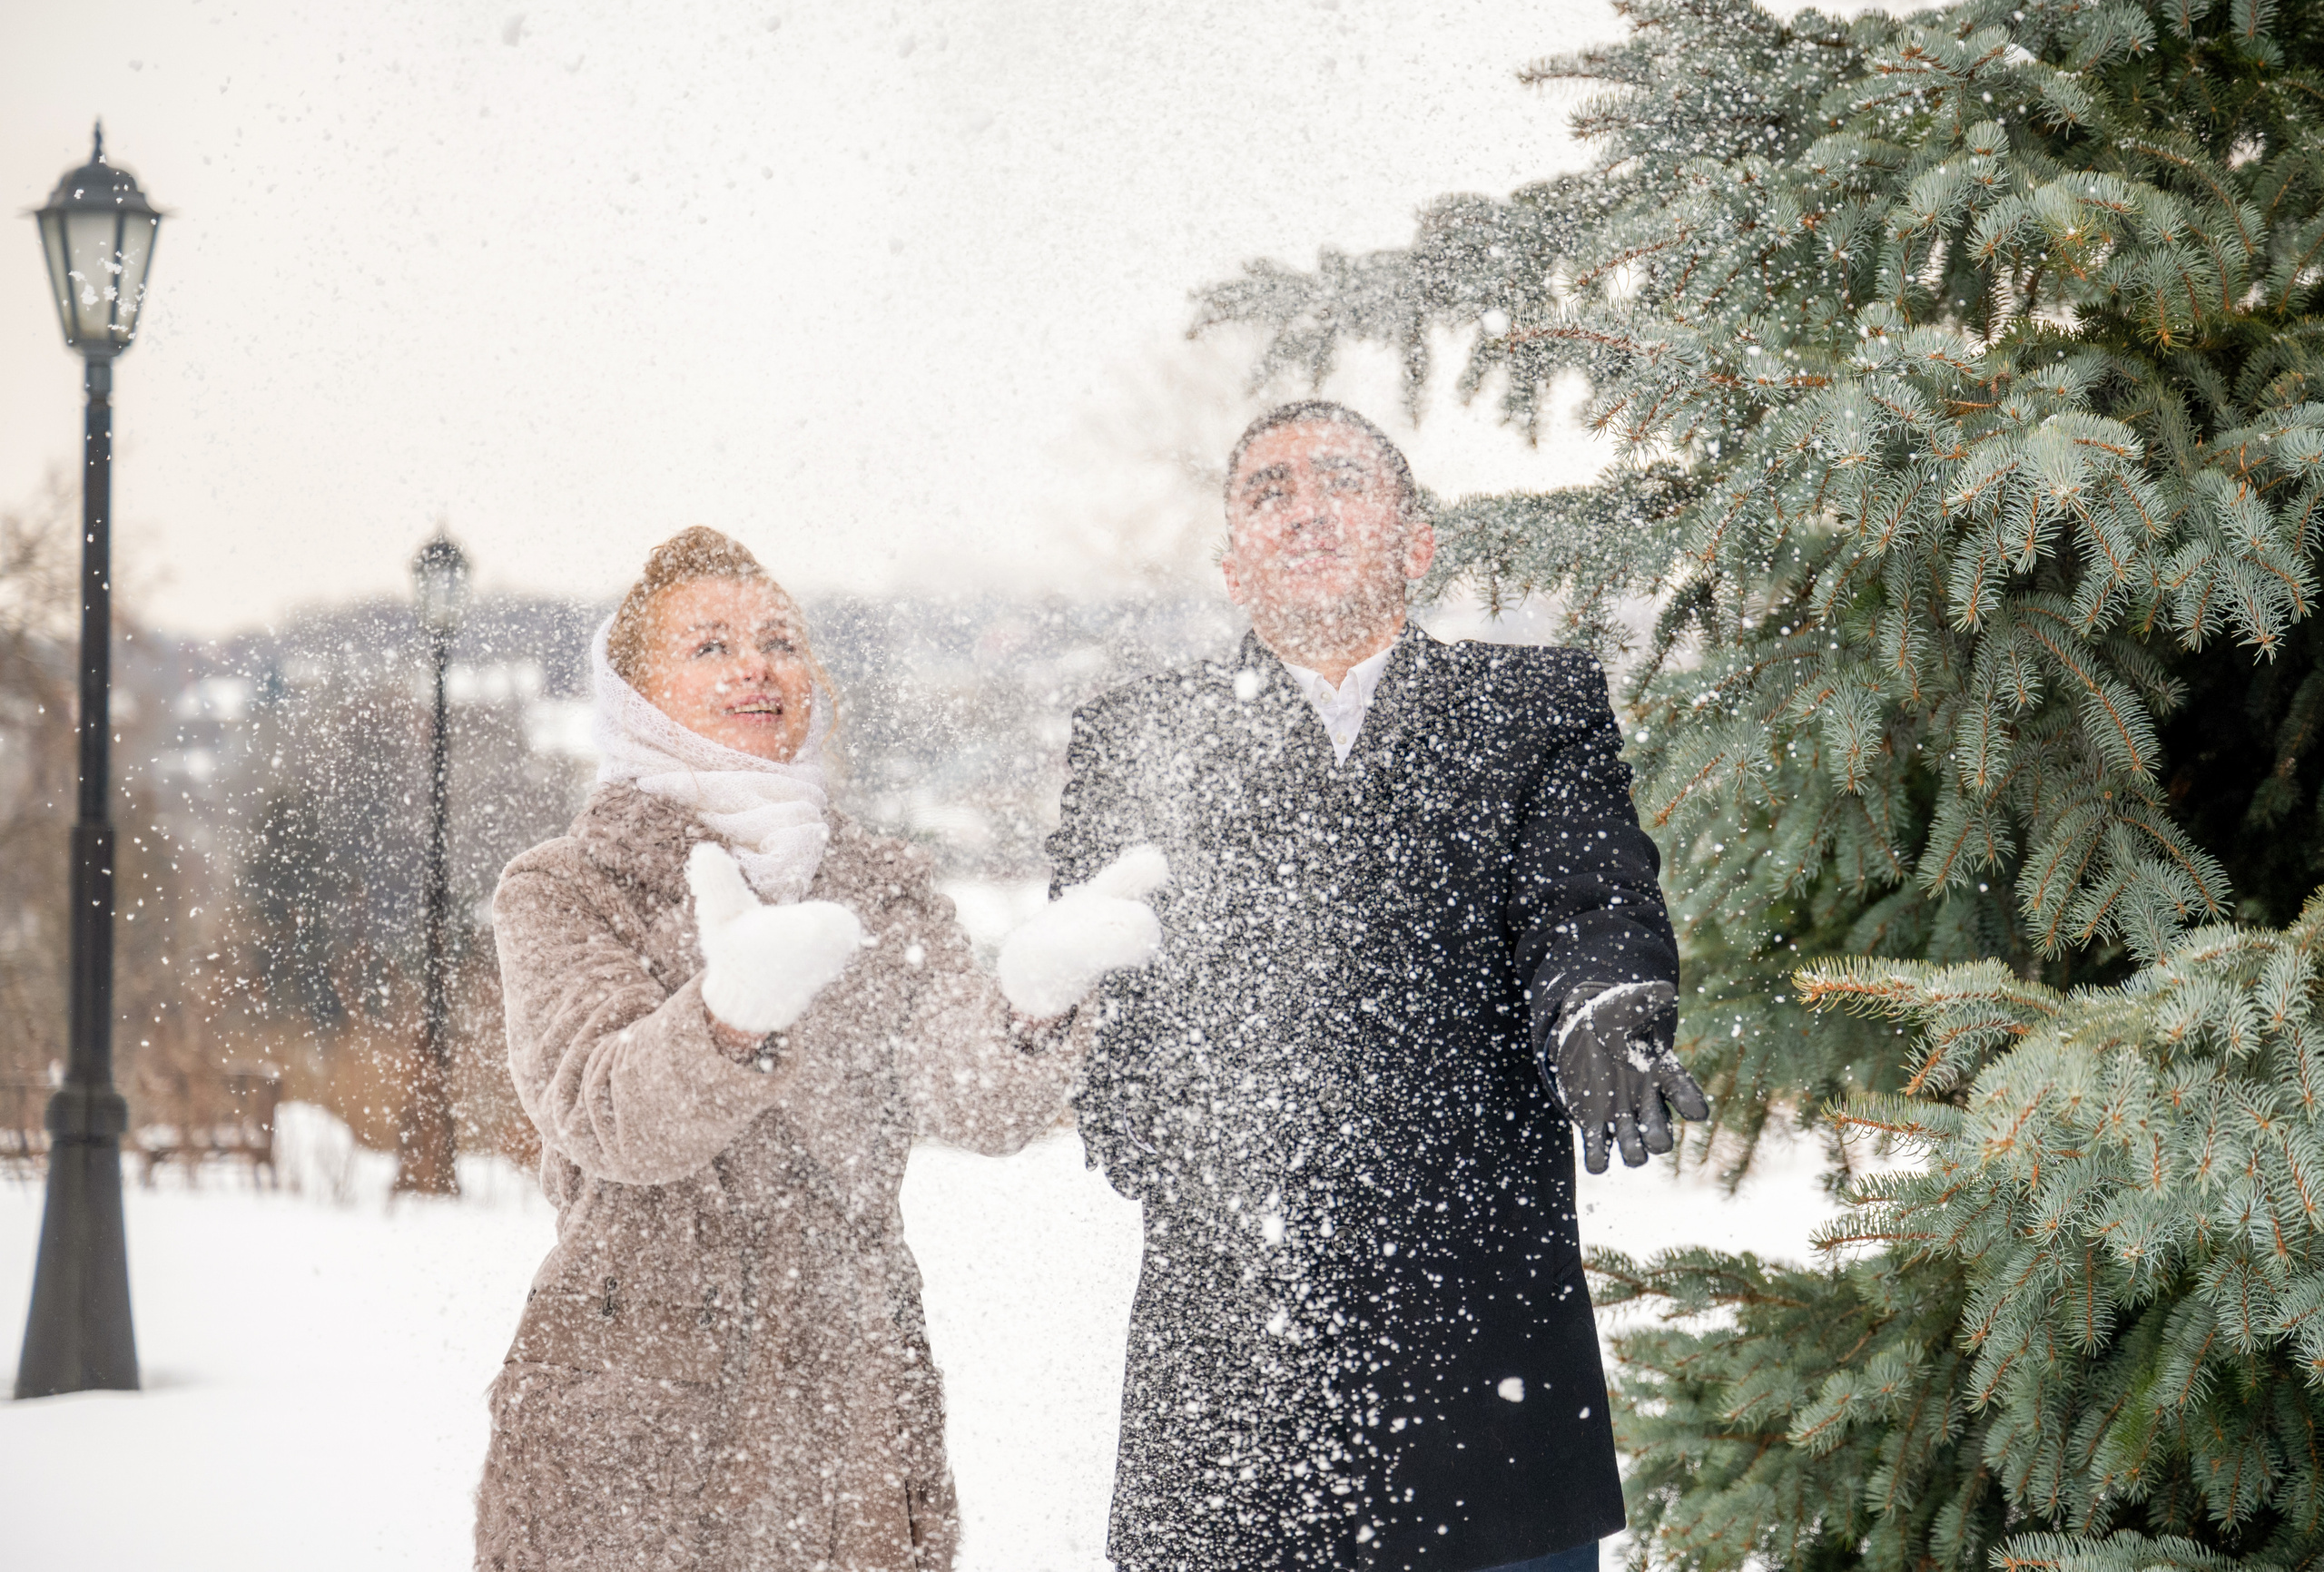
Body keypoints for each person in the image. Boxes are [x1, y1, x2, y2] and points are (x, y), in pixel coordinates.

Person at [1054, 402, 1710, 1572]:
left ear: (1416, 542)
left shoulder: (1531, 711)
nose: (1302, 505)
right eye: (1267, 492)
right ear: (1230, 564)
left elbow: (1586, 904)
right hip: (1234, 1363)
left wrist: (1602, 1003)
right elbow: (1102, 974)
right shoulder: (1139, 737)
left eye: (1340, 482)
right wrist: (1132, 1092)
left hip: (1483, 1345)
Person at [473, 526, 1165, 1572]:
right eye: (708, 647)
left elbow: (969, 1100)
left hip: (850, 1406)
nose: (755, 665)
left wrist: (1031, 1006)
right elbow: (605, 1111)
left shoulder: (878, 884)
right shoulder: (567, 886)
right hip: (631, 1411)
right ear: (634, 695)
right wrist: (725, 1022)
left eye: (779, 641)